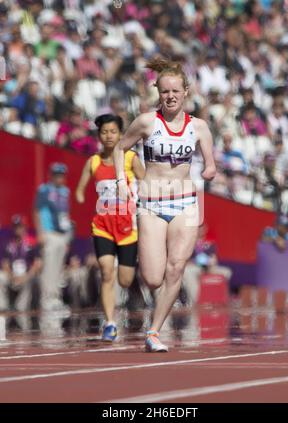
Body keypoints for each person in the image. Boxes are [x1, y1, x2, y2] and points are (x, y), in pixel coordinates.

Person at [113, 58, 216, 352]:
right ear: (158, 93)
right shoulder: (147, 122)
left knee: (176, 268)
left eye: (175, 91)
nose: (170, 96)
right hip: (151, 204)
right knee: (154, 277)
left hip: (185, 203)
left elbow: (210, 165)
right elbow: (121, 147)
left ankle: (154, 332)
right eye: (164, 92)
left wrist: (209, 170)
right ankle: (144, 296)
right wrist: (122, 181)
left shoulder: (199, 127)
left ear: (186, 92)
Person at [75, 114, 145, 341]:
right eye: (104, 132)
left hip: (128, 227)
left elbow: (147, 182)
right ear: (98, 135)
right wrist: (79, 195)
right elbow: (80, 187)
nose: (108, 136)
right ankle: (110, 323)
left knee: (124, 279)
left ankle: (134, 295)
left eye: (113, 132)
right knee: (106, 272)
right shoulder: (93, 162)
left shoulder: (130, 158)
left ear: (121, 135)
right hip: (103, 225)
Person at [34, 162, 73, 312]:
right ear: (51, 175)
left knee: (58, 267)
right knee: (49, 267)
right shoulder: (44, 190)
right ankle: (47, 298)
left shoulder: (65, 191)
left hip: (62, 234)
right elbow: (37, 211)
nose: (59, 177)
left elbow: (66, 214)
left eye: (61, 175)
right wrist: (40, 233)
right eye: (56, 174)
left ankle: (56, 297)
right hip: (49, 233)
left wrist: (68, 234)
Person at [0, 215, 42, 312]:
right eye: (16, 226)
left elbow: (37, 264)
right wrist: (11, 276)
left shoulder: (32, 242)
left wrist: (25, 277)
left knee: (32, 279)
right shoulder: (7, 243)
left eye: (20, 226)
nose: (18, 229)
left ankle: (21, 307)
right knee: (0, 276)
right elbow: (5, 264)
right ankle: (3, 307)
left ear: (25, 227)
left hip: (27, 274)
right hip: (12, 275)